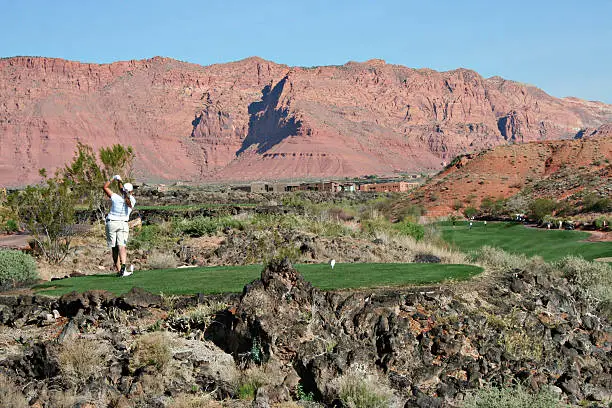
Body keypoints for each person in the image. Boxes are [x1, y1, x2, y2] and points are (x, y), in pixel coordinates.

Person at [103, 175, 136, 277]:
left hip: (111, 223)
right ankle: (124, 268)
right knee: (122, 247)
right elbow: (123, 191)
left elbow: (105, 187)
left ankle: (119, 271)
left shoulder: (116, 197)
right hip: (123, 224)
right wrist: (120, 182)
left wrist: (114, 178)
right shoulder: (132, 201)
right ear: (131, 192)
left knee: (114, 248)